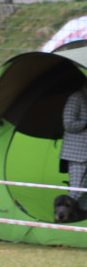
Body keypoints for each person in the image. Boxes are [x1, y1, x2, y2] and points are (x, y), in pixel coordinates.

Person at [60, 80, 87, 215]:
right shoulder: (76, 98)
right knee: (76, 190)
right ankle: (62, 218)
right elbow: (68, 124)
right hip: (76, 154)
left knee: (85, 194)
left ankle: (80, 221)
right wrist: (86, 122)